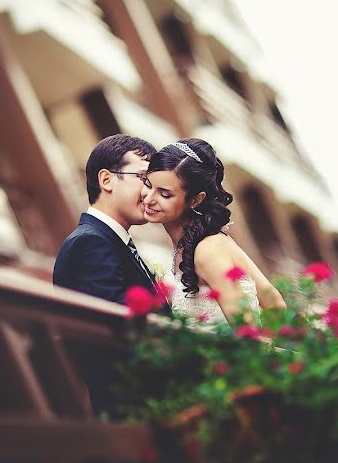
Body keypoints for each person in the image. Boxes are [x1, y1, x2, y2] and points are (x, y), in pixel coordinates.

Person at [142, 138, 286, 325]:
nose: (148, 199)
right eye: (147, 184)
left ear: (195, 200)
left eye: (164, 194)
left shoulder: (208, 250)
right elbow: (275, 303)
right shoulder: (202, 244)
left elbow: (248, 329)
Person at [53, 134, 158, 304]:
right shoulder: (89, 244)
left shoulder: (108, 241)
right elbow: (116, 325)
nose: (150, 192)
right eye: (144, 178)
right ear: (106, 180)